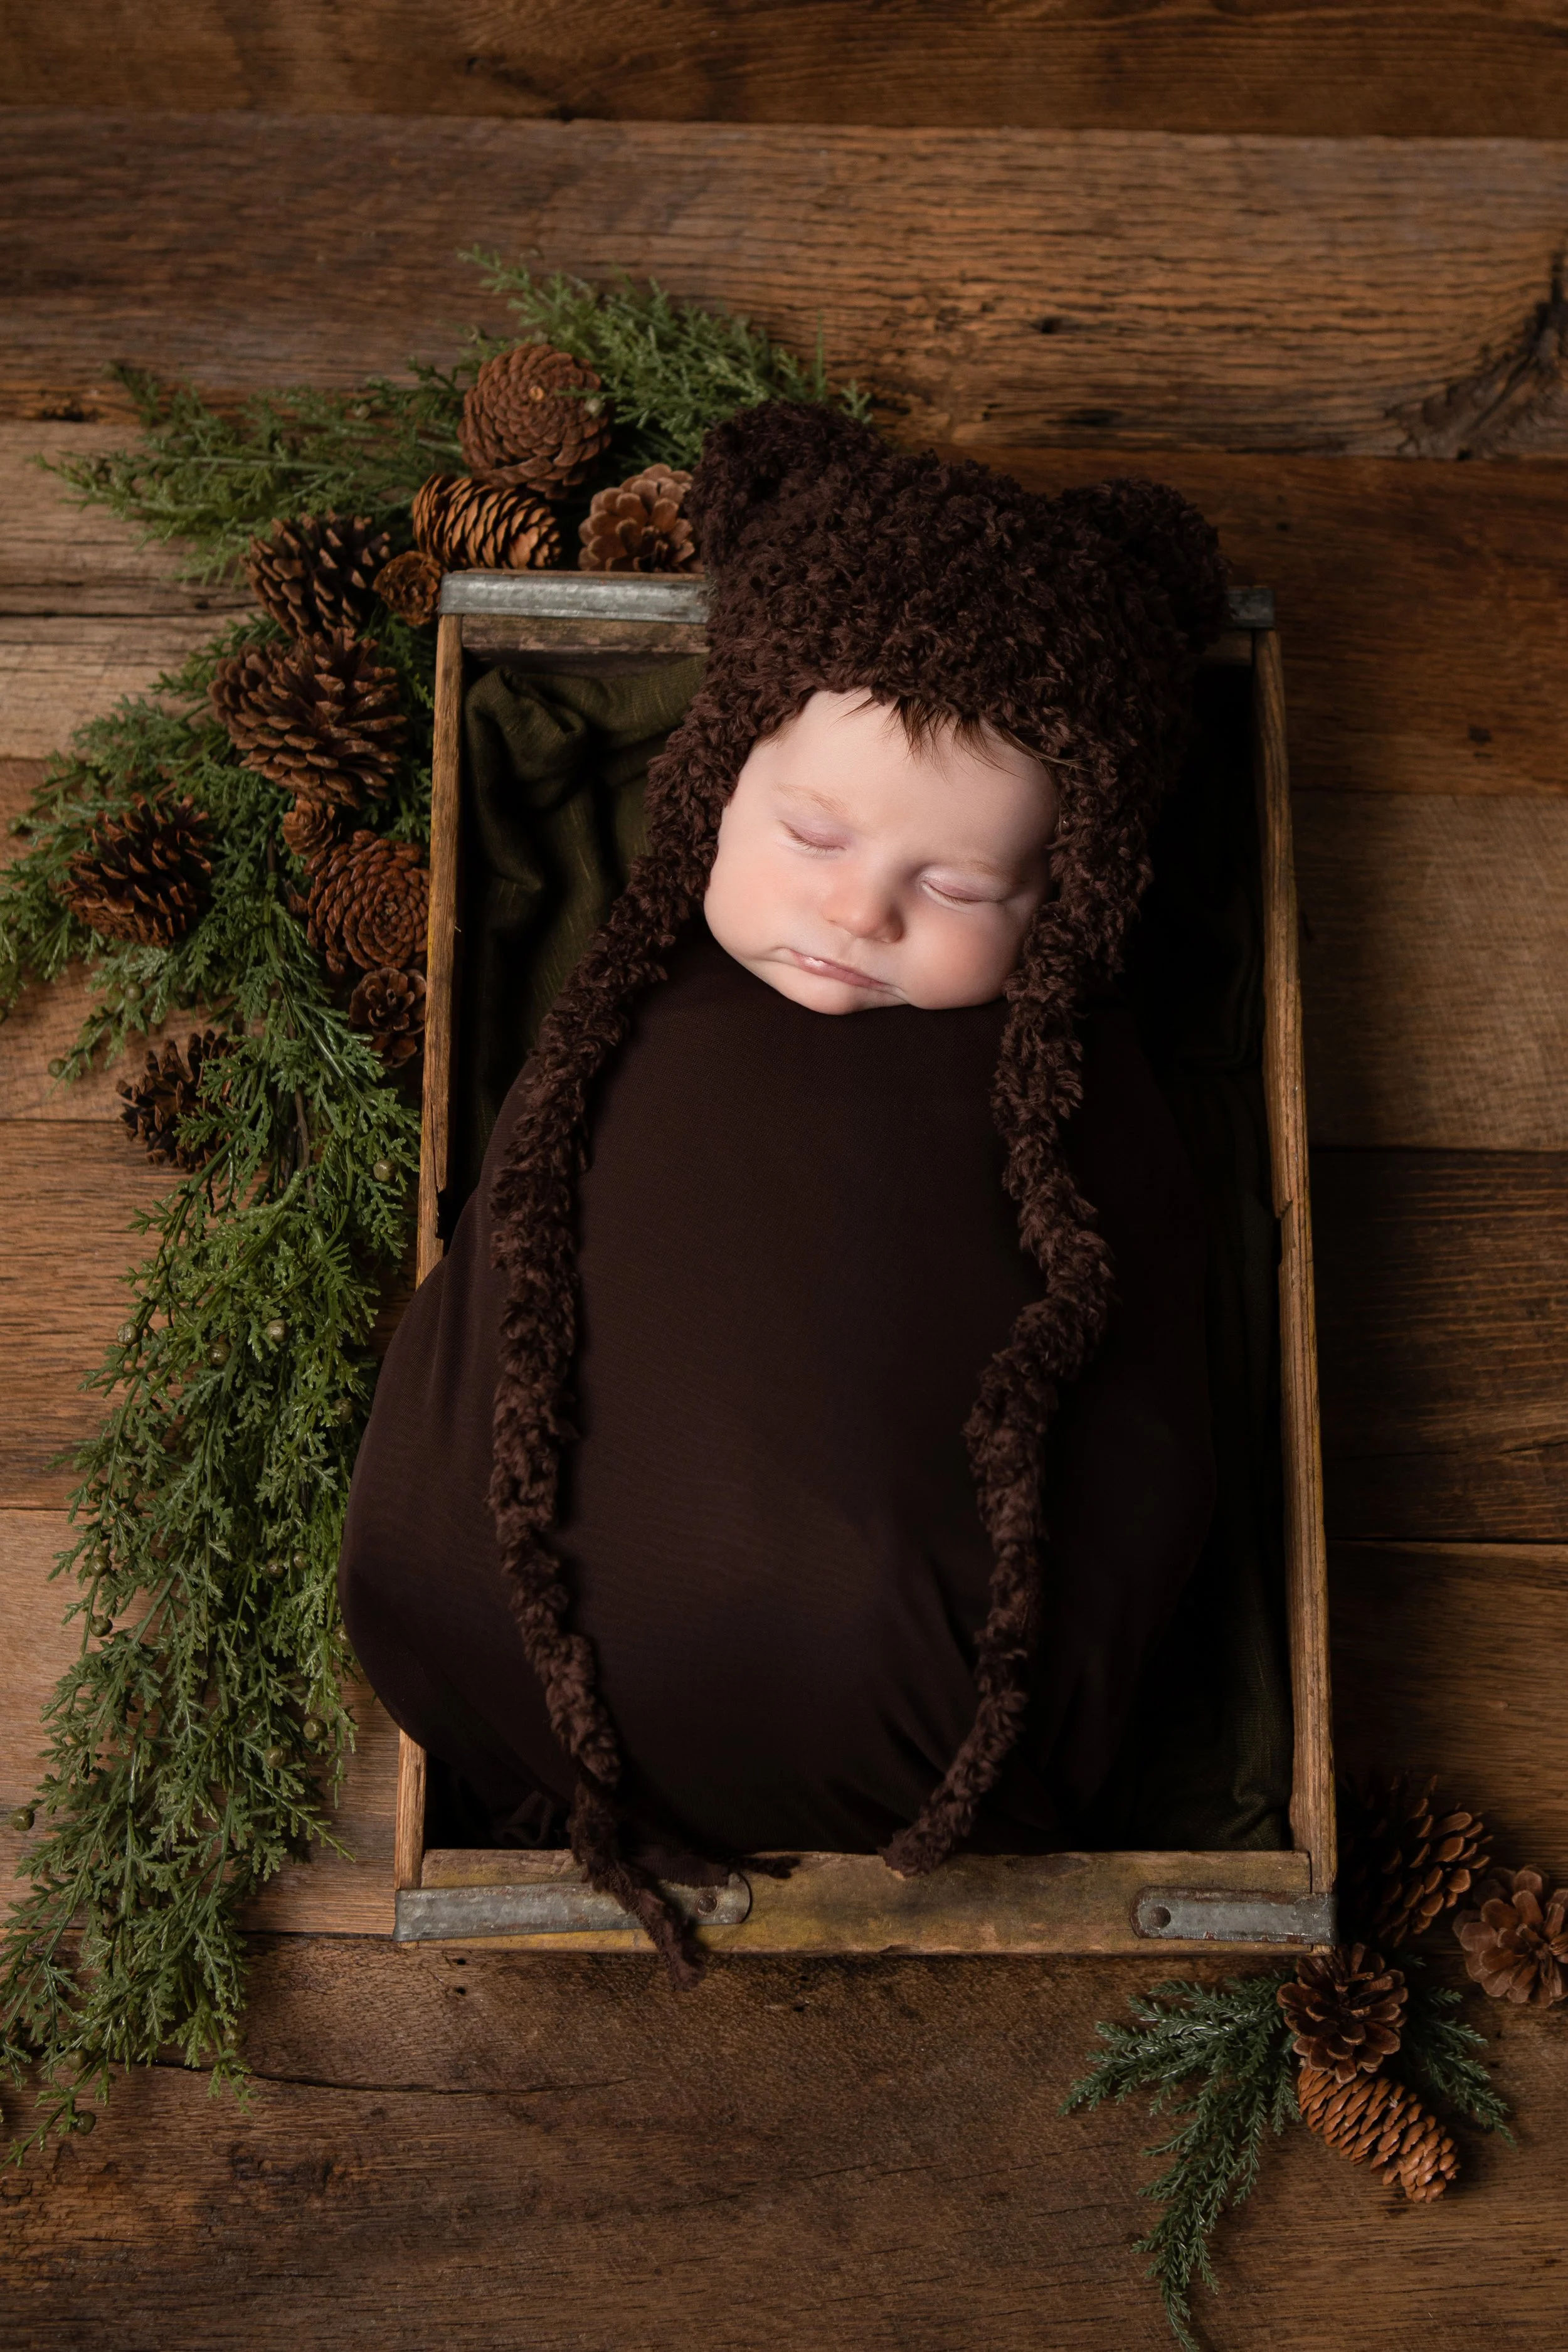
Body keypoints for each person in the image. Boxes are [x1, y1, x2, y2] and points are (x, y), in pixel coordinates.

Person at [341, 403, 1229, 1983]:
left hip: (925, 1731)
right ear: (709, 786)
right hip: (476, 1646)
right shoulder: (630, 996)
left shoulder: (1075, 1084)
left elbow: (1150, 1374)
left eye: (956, 886)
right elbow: (511, 1234)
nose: (855, 913)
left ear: (1069, 899)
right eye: (809, 833)